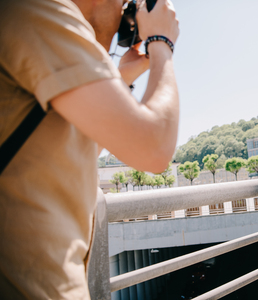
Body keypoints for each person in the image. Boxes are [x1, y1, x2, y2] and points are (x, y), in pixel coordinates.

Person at [0, 0, 179, 298]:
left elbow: (81, 146)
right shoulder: (38, 10)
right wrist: (162, 43)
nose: (129, 11)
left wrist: (123, 75)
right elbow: (155, 149)